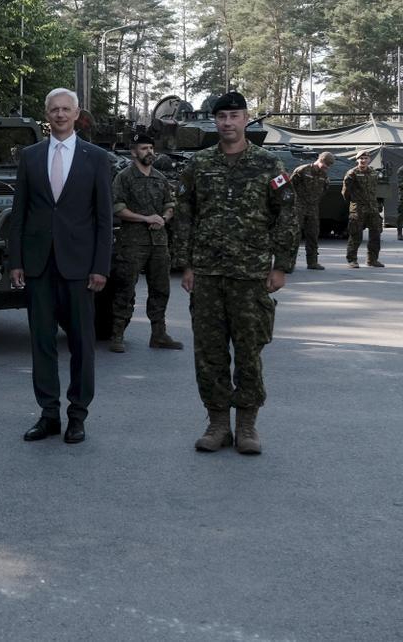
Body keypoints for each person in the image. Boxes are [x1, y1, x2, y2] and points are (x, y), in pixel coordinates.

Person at [175, 91, 295, 455]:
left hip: (250, 274)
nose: (227, 122)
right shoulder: (199, 165)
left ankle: (246, 425)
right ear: (215, 121)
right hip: (208, 274)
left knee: (248, 351)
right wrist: (187, 264)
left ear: (246, 119)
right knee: (209, 352)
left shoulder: (267, 164)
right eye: (221, 116)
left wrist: (281, 265)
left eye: (234, 115)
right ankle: (216, 423)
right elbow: (184, 214)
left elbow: (286, 215)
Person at [8, 88, 113, 445]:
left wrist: (101, 266)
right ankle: (48, 414)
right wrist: (16, 261)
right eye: (54, 109)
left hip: (80, 267)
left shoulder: (96, 158)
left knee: (82, 344)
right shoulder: (30, 156)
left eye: (66, 109)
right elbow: (19, 213)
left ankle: (77, 415)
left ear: (77, 112)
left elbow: (104, 218)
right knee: (42, 343)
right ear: (46, 113)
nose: (60, 115)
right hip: (38, 265)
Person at [108, 133, 183, 353]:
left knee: (160, 289)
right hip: (132, 242)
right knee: (125, 288)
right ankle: (118, 334)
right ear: (134, 152)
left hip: (159, 243)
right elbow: (117, 208)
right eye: (143, 148)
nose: (149, 151)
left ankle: (159, 334)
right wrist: (146, 218)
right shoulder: (124, 177)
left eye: (151, 148)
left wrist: (164, 218)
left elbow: (170, 204)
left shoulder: (160, 178)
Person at [290, 151, 334, 270]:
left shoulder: (324, 176)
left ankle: (312, 262)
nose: (326, 167)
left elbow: (324, 190)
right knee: (294, 236)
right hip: (298, 207)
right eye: (325, 164)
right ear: (319, 160)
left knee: (313, 235)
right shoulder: (302, 170)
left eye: (328, 166)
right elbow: (290, 187)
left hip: (313, 208)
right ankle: (289, 263)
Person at [342, 150, 384, 268]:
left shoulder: (373, 173)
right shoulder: (352, 173)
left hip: (372, 208)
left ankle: (372, 260)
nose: (363, 160)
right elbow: (345, 192)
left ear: (369, 160)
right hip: (358, 209)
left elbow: (375, 189)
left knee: (375, 234)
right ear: (357, 160)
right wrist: (355, 202)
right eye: (361, 158)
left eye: (365, 158)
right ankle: (352, 260)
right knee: (356, 235)